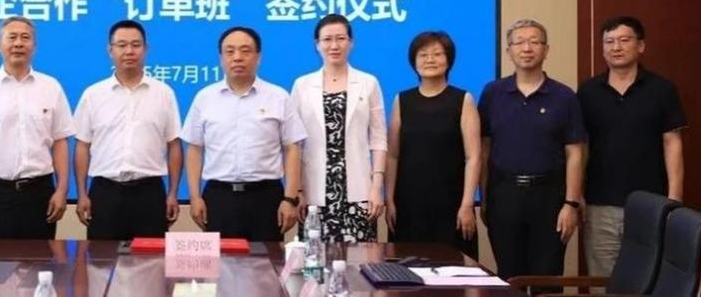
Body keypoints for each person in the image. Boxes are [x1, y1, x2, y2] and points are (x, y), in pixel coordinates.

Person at [479, 19, 586, 280]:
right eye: (519, 42)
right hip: (504, 195)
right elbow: (484, 148)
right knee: (509, 276)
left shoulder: (564, 96)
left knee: (547, 277)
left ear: (546, 50)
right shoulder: (493, 93)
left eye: (534, 42)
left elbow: (575, 153)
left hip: (550, 198)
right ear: (509, 51)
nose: (527, 48)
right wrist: (485, 197)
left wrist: (571, 203)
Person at [579, 16, 686, 277]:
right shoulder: (588, 91)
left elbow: (672, 143)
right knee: (603, 282)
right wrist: (578, 193)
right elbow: (581, 148)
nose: (616, 47)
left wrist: (674, 198)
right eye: (609, 42)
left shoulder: (662, 89)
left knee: (648, 280)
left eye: (624, 40)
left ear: (641, 46)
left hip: (652, 204)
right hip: (600, 204)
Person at [0, 16, 74, 239]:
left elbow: (60, 143)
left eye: (25, 38)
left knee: (40, 259)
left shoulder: (51, 87)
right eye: (12, 37)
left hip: (40, 194)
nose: (18, 43)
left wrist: (62, 189)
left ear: (34, 46)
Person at [182, 26, 305, 241]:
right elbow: (194, 149)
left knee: (267, 260)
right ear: (221, 58)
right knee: (221, 261)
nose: (237, 57)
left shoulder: (278, 97)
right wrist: (194, 196)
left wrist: (290, 198)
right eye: (230, 51)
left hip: (266, 198)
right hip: (219, 198)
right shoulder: (205, 98)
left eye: (245, 51)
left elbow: (292, 148)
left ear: (258, 57)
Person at [74, 20, 183, 240]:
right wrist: (82, 194)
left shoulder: (163, 93)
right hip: (104, 193)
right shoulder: (93, 95)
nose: (129, 51)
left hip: (149, 193)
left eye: (136, 45)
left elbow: (174, 145)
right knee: (102, 258)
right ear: (110, 50)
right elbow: (82, 146)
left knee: (150, 258)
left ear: (146, 49)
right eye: (122, 45)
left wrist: (173, 193)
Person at [290, 14, 386, 243]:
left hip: (359, 191)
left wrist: (376, 187)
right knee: (314, 258)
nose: (334, 45)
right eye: (327, 39)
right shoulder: (302, 85)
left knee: (361, 260)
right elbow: (294, 143)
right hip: (314, 192)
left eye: (341, 38)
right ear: (317, 44)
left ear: (351, 43)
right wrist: (297, 191)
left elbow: (379, 138)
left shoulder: (368, 82)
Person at [384, 31, 480, 257]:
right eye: (423, 55)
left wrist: (467, 204)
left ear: (449, 60)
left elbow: (473, 157)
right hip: (408, 203)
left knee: (454, 268)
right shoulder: (402, 100)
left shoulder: (463, 99)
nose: (430, 60)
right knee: (407, 268)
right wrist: (389, 199)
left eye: (437, 54)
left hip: (452, 203)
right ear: (414, 61)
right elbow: (392, 155)